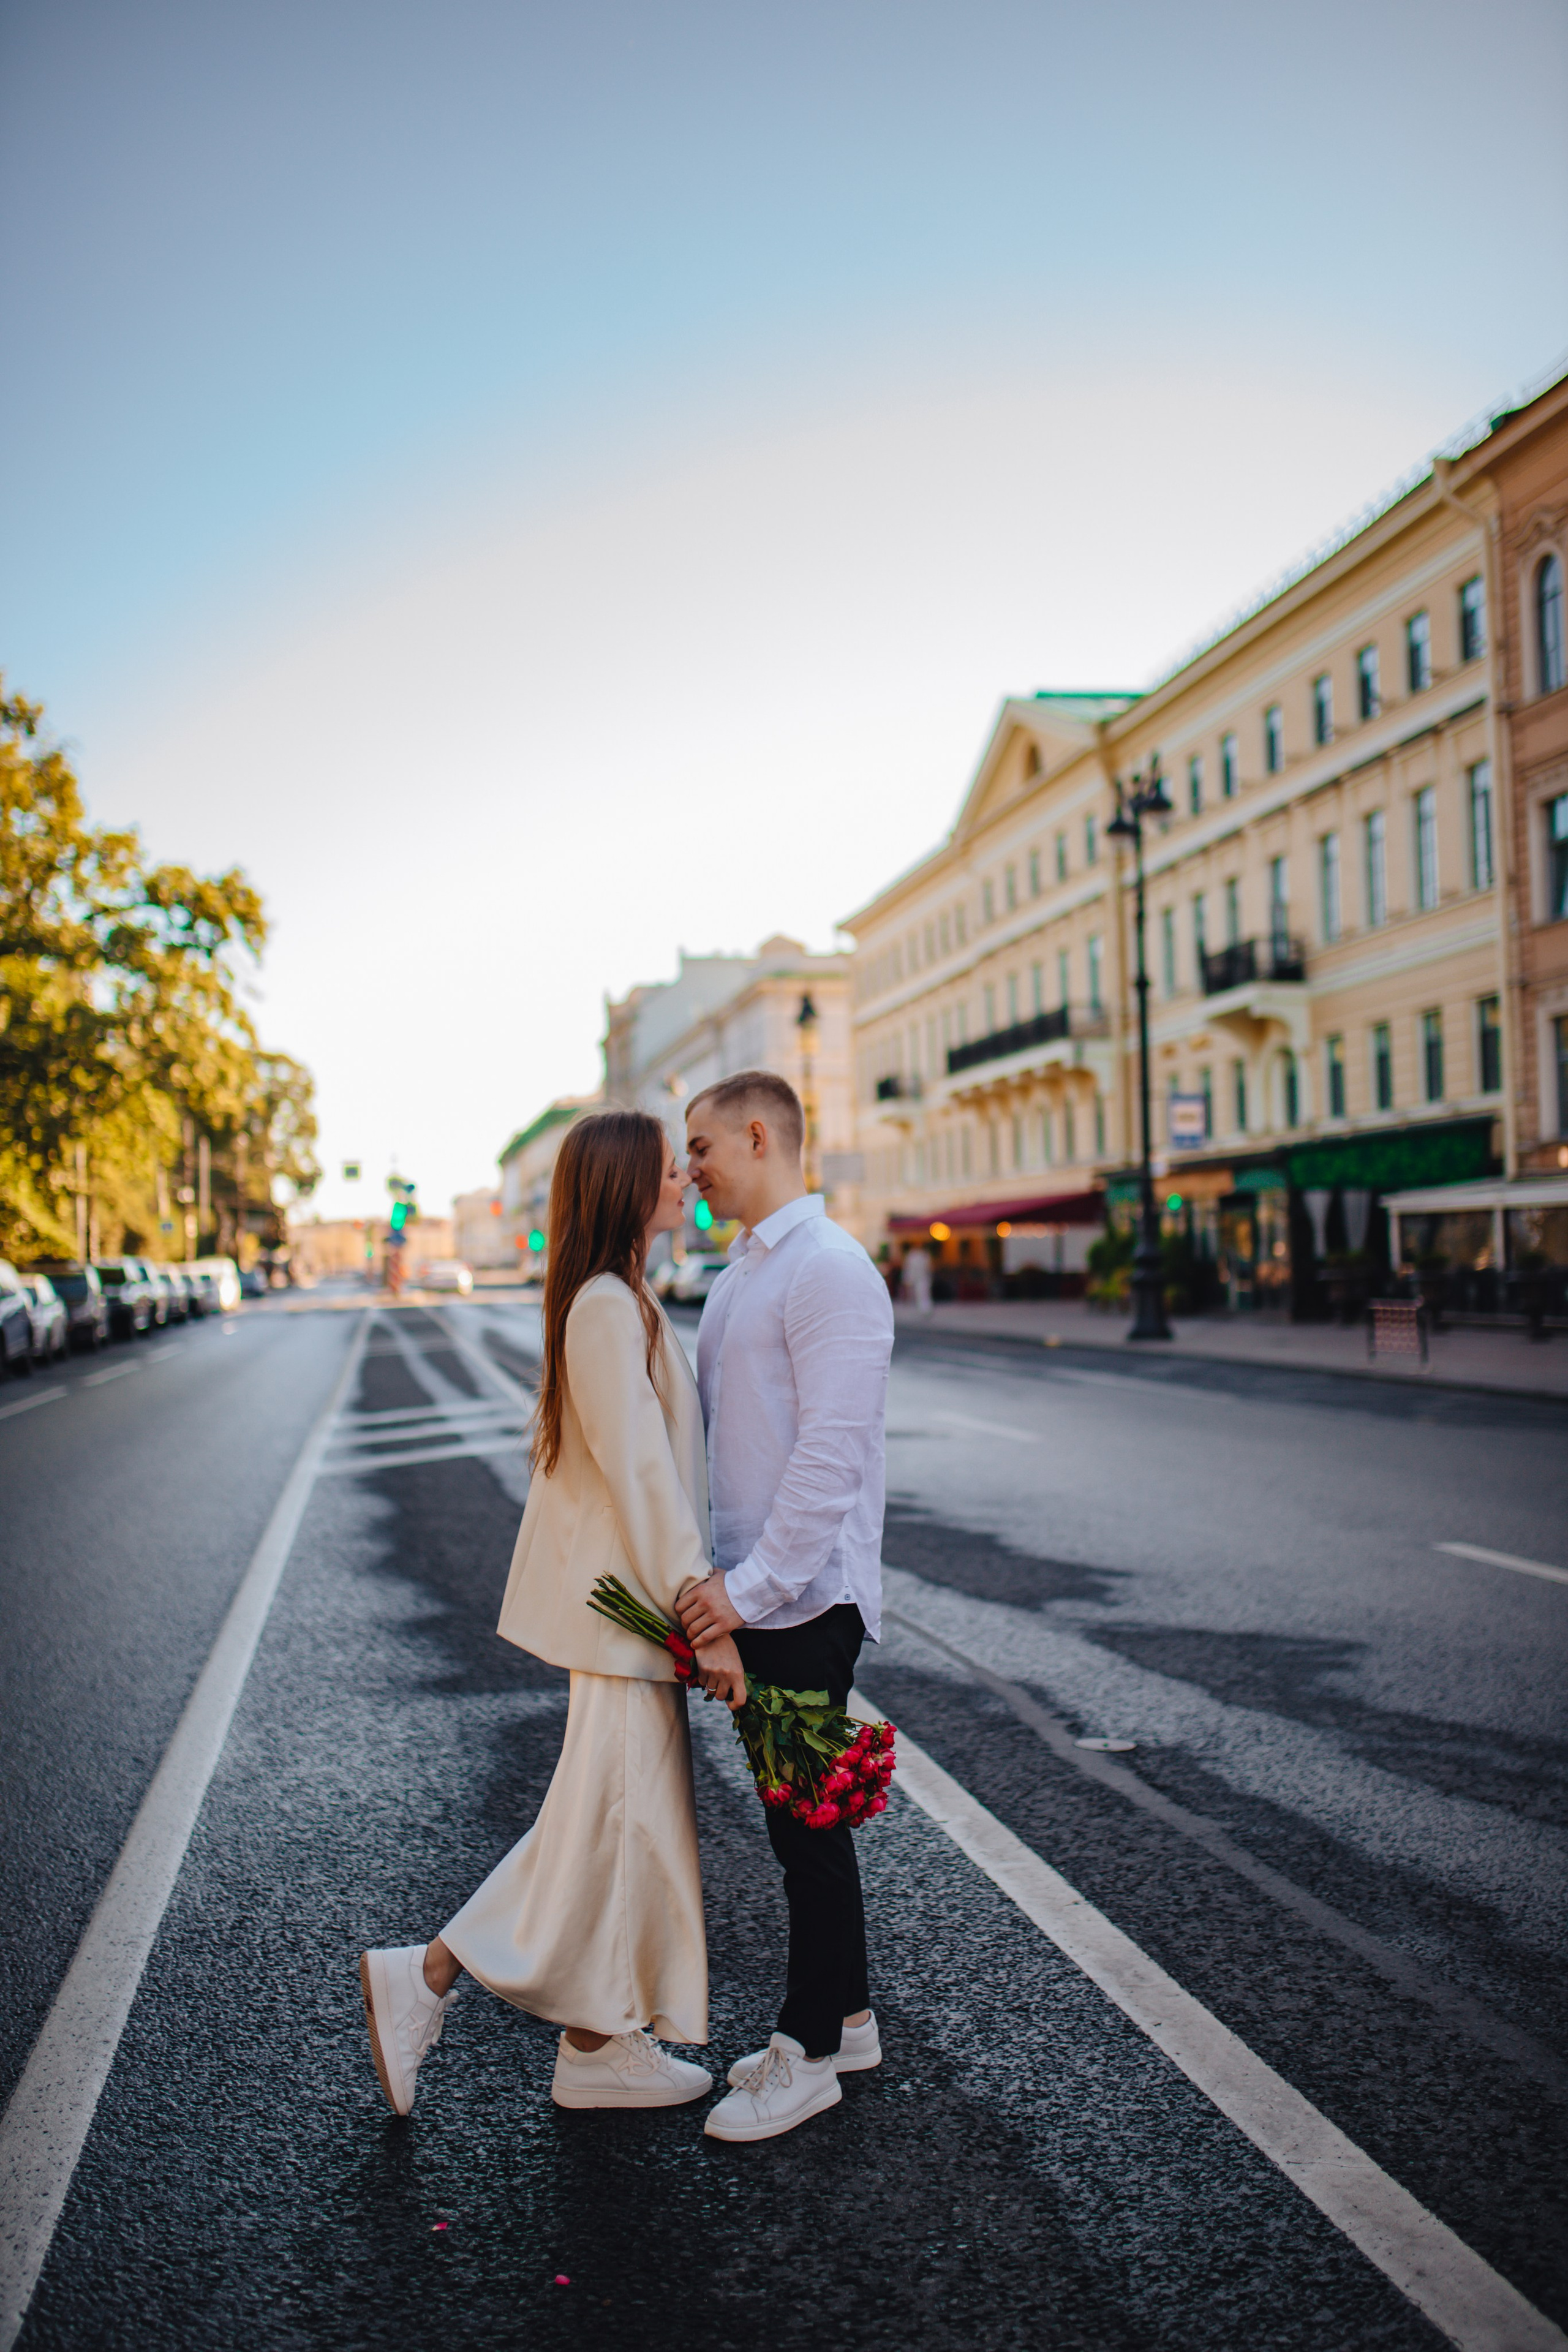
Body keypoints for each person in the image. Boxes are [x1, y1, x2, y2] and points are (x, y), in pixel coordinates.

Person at [359, 1109, 717, 2116]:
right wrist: (701, 1606)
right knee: (613, 1824)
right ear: (628, 1186)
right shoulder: (605, 1307)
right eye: (668, 1170)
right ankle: (432, 1976)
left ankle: (595, 2040)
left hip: (634, 1614)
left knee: (612, 1824)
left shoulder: (621, 1298)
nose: (684, 1183)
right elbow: (642, 1477)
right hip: (630, 1613)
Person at [676, 1071, 895, 2144]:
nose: (691, 1171)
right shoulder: (741, 1277)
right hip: (759, 1597)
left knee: (806, 1835)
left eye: (702, 1147)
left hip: (803, 1600)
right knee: (795, 1826)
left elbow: (827, 1463)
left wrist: (746, 1595)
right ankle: (846, 2023)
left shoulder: (830, 1270)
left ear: (759, 1137)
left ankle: (806, 2057)